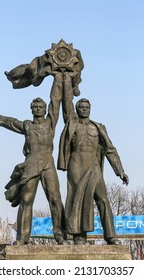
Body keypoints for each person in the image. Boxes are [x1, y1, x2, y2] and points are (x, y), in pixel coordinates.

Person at [0, 73, 67, 245]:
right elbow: (13, 122)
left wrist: (58, 80)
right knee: (27, 200)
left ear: (45, 110)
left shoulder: (50, 122)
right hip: (31, 164)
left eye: (40, 107)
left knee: (55, 199)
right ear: (31, 110)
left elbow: (55, 100)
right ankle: (23, 237)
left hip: (47, 163)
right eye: (35, 107)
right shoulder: (27, 125)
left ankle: (60, 235)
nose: (38, 109)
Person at [58, 72, 129, 245]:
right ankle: (79, 237)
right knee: (76, 199)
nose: (84, 109)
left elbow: (110, 150)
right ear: (77, 109)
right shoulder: (72, 124)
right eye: (81, 107)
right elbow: (66, 103)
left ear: (90, 109)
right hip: (76, 166)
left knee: (102, 199)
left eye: (86, 107)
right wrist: (66, 79)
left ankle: (110, 235)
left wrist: (120, 171)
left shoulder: (99, 128)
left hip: (94, 167)